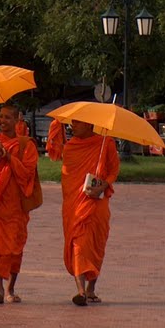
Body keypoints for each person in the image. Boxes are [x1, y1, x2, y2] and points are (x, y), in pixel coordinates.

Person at [59, 119, 120, 306]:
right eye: (72, 123)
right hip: (75, 204)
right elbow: (67, 177)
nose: (72, 126)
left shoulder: (105, 143)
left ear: (90, 125)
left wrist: (102, 184)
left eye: (77, 123)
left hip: (97, 204)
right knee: (78, 243)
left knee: (95, 246)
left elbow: (113, 169)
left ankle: (90, 289)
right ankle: (80, 291)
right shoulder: (70, 147)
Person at [0, 104, 39, 304]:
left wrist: (8, 157)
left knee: (15, 248)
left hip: (16, 206)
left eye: (8, 117)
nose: (2, 121)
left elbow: (27, 174)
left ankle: (10, 288)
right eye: (0, 117)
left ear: (17, 121)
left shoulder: (26, 145)